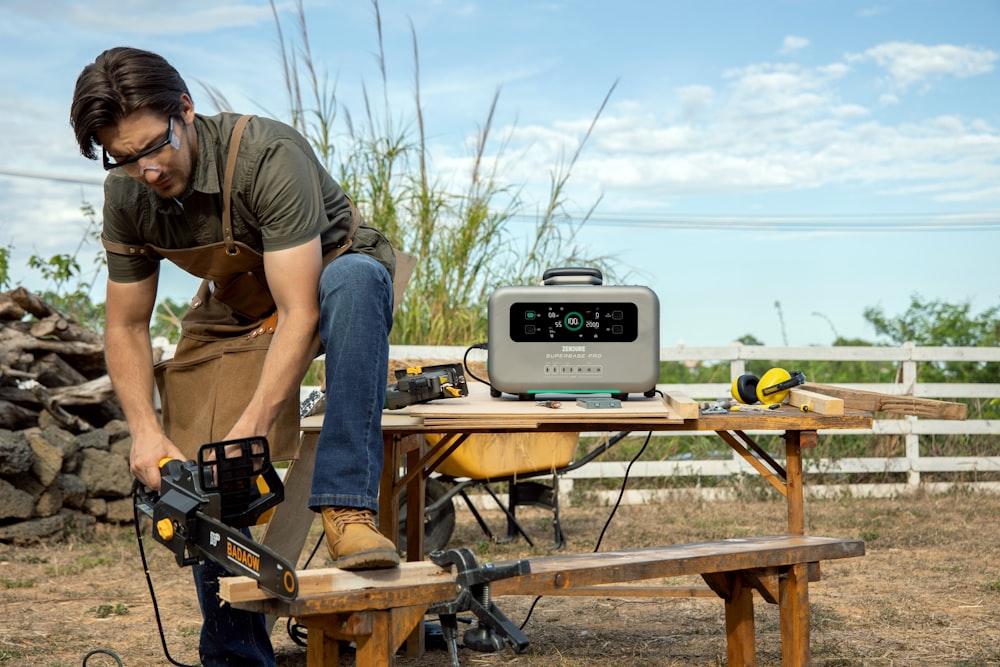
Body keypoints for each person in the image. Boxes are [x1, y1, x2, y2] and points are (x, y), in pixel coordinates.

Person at [70, 47, 400, 666]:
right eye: (124, 157)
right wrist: (145, 432)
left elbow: (300, 313)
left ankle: (347, 511)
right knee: (206, 468)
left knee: (354, 283)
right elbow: (126, 324)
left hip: (326, 281)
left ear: (187, 112)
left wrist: (252, 425)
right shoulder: (128, 194)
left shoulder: (267, 156)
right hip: (240, 302)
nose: (145, 170)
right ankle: (236, 651)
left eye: (153, 147)